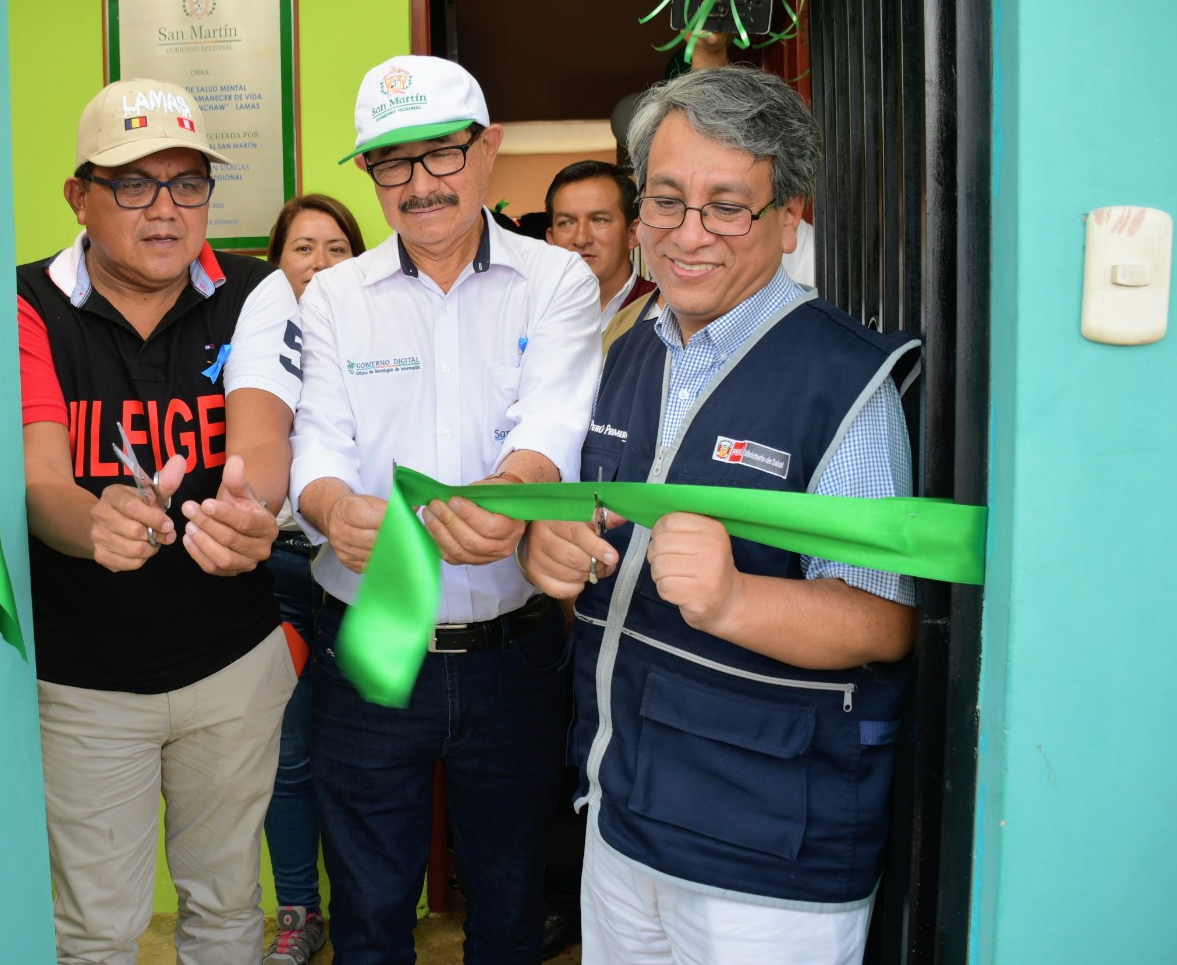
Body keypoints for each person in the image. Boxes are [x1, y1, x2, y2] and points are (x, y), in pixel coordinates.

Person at [521, 65, 919, 965]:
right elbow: (591, 531)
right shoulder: (629, 352)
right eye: (665, 201)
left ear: (788, 219)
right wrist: (549, 550)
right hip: (621, 815)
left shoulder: (842, 384)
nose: (688, 235)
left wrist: (735, 601)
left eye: (727, 206)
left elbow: (886, 620)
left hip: (764, 858)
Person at [289, 54, 602, 964]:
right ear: (369, 177)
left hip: (513, 645)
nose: (421, 184)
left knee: (508, 902)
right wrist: (327, 504)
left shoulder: (555, 281)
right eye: (392, 163)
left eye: (443, 155)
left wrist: (515, 490)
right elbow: (318, 435)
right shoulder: (339, 295)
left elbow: (555, 415)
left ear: (488, 150)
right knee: (370, 904)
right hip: (374, 630)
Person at [18, 77, 303, 964]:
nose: (166, 209)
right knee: (97, 929)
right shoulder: (26, 300)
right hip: (84, 679)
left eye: (188, 184)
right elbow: (41, 480)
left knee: (225, 907)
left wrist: (251, 509)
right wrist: (88, 521)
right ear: (80, 196)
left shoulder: (254, 290)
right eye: (134, 184)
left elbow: (261, 436)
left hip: (230, 665)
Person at [259, 193, 366, 965]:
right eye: (303, 248)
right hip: (275, 570)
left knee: (365, 752)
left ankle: (368, 909)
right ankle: (300, 908)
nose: (321, 263)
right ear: (277, 263)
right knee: (288, 755)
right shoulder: (248, 345)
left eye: (338, 248)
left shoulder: (376, 341)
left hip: (355, 571)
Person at [543, 160, 658, 351]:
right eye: (566, 222)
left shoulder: (662, 311)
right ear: (551, 239)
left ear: (632, 234)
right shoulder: (532, 313)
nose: (581, 238)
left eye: (599, 220)